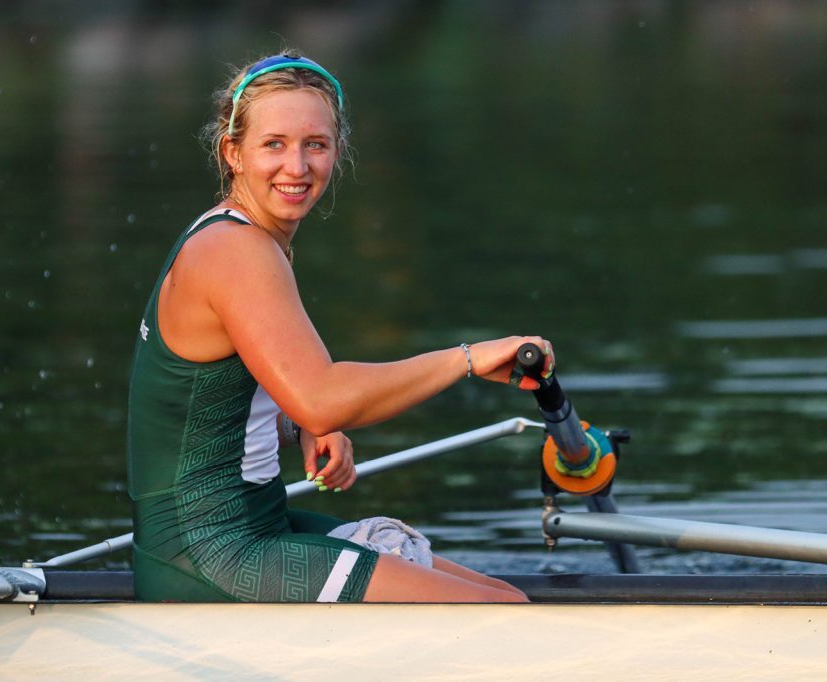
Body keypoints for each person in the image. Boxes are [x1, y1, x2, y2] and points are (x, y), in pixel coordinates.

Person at [127, 50, 554, 603]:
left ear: (338, 151)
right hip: (209, 552)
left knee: (499, 591)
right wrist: (466, 359)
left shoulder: (238, 237)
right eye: (274, 144)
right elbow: (323, 399)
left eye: (316, 145)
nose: (297, 168)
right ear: (232, 152)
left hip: (251, 526)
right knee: (501, 611)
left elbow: (212, 411)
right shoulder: (235, 251)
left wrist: (296, 426)